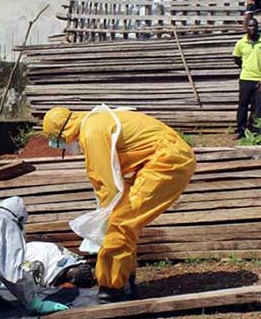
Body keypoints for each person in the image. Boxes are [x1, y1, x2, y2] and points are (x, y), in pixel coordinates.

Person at [42, 106, 196, 303]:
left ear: (62, 134)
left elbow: (104, 181)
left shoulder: (91, 133)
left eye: (58, 142)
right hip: (165, 158)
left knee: (120, 223)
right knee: (123, 222)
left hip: (167, 162)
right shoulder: (95, 122)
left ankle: (111, 288)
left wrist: (105, 218)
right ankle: (125, 281)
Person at [233, 18, 261, 139]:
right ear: (246, 28)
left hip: (259, 79)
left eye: (254, 26)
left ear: (258, 28)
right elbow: (236, 58)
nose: (252, 28)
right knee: (243, 104)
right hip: (245, 78)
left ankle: (257, 130)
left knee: (260, 105)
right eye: (250, 26)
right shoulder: (241, 43)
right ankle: (240, 130)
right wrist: (246, 67)